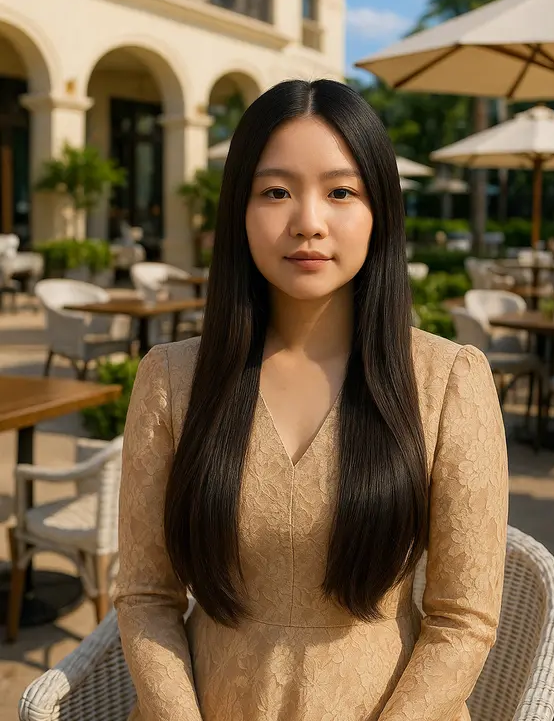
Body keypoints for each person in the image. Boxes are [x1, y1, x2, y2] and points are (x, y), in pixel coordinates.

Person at [113, 79, 509, 721]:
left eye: (340, 191)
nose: (308, 222)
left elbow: (463, 619)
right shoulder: (170, 379)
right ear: (239, 210)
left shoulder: (449, 379)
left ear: (379, 209)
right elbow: (146, 596)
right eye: (275, 191)